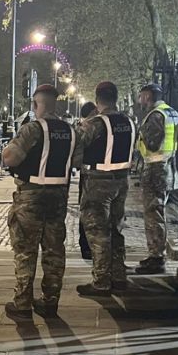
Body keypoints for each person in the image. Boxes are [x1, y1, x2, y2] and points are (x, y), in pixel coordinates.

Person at [2, 84, 81, 320]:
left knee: (26, 249)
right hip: (58, 196)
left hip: (31, 195)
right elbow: (77, 160)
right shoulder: (71, 131)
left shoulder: (32, 129)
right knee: (54, 249)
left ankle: (23, 302)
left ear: (37, 104)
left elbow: (10, 158)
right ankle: (50, 302)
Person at [76, 81, 136, 297]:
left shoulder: (96, 123)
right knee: (116, 229)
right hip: (122, 180)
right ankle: (119, 276)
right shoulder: (129, 122)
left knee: (98, 232)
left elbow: (77, 146)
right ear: (117, 97)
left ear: (98, 98)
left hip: (99, 181)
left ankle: (101, 281)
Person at [134, 84, 178, 275]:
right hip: (168, 166)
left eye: (140, 97)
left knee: (153, 213)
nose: (139, 101)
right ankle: (157, 255)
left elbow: (152, 144)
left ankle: (156, 257)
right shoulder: (172, 113)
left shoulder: (155, 115)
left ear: (147, 96)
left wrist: (141, 133)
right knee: (159, 211)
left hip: (155, 169)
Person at [77, 101, 98, 260]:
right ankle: (88, 247)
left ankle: (87, 247)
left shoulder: (85, 127)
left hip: (88, 175)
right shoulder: (92, 125)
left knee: (86, 211)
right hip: (91, 175)